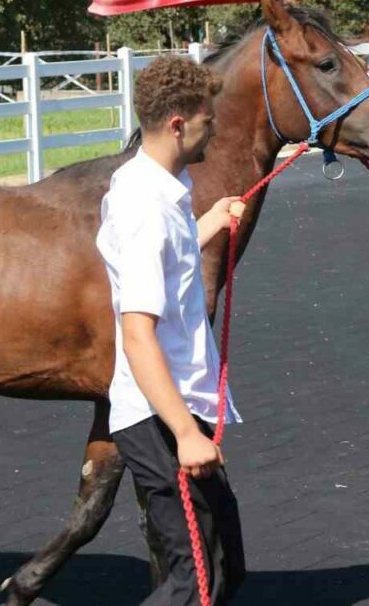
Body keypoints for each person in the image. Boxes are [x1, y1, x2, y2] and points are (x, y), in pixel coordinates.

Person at [97, 56, 247, 605]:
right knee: (196, 582)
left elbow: (173, 254)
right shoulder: (145, 208)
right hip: (159, 417)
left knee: (224, 566)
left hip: (180, 407)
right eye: (208, 119)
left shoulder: (163, 188)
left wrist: (211, 221)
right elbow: (138, 334)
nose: (215, 129)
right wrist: (185, 433)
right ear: (178, 124)